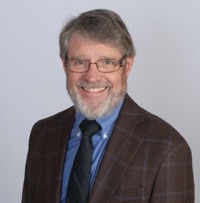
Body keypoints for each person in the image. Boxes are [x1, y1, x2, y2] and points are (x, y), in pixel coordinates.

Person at [22, 9, 194, 203]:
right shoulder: (43, 134)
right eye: (80, 62)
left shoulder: (167, 148)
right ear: (65, 66)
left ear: (127, 66)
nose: (92, 76)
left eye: (107, 62)